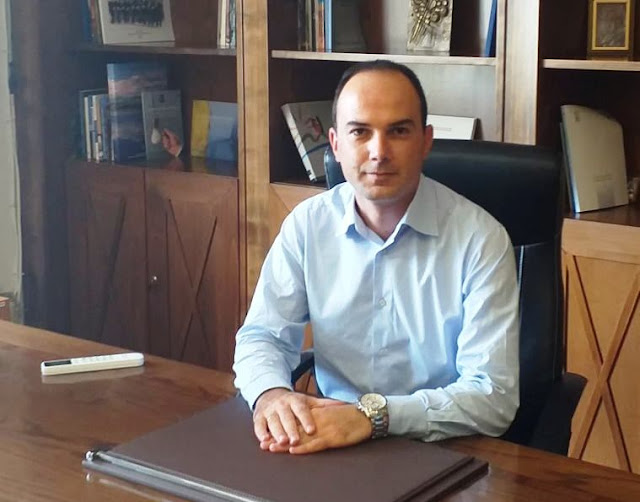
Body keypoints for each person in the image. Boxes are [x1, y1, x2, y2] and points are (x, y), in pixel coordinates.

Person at [233, 60, 519, 455]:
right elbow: (262, 336)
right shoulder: (308, 225)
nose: (379, 152)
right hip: (330, 440)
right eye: (360, 132)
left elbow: (492, 397)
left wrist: (371, 418)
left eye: (398, 131)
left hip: (443, 447)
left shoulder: (481, 240)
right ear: (335, 144)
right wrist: (271, 394)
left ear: (426, 141)